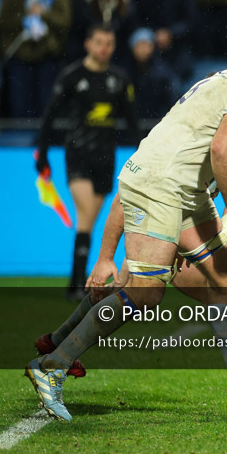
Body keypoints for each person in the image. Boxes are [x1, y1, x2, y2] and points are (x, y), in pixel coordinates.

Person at [25, 30, 227, 422]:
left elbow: (221, 158)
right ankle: (54, 363)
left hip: (177, 188)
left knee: (226, 274)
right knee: (144, 294)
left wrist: (220, 220)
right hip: (162, 185)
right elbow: (222, 150)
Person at [35, 24, 139, 298]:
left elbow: (130, 121)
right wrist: (42, 152)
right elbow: (49, 116)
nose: (104, 47)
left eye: (109, 42)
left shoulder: (119, 78)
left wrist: (144, 149)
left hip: (106, 158)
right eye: (99, 42)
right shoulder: (71, 76)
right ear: (88, 45)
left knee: (89, 223)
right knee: (85, 218)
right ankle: (79, 283)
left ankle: (77, 282)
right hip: (78, 155)